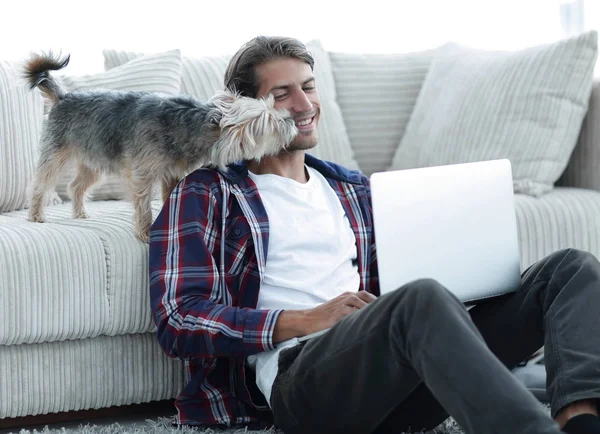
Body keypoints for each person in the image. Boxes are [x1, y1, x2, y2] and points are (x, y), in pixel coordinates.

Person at [148, 35, 600, 434]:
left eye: (308, 87)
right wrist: (309, 319)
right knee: (420, 298)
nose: (305, 106)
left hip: (399, 380)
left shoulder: (353, 189)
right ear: (245, 108)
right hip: (303, 385)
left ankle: (580, 420)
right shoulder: (209, 192)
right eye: (282, 94)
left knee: (570, 268)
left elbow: (405, 290)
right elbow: (178, 318)